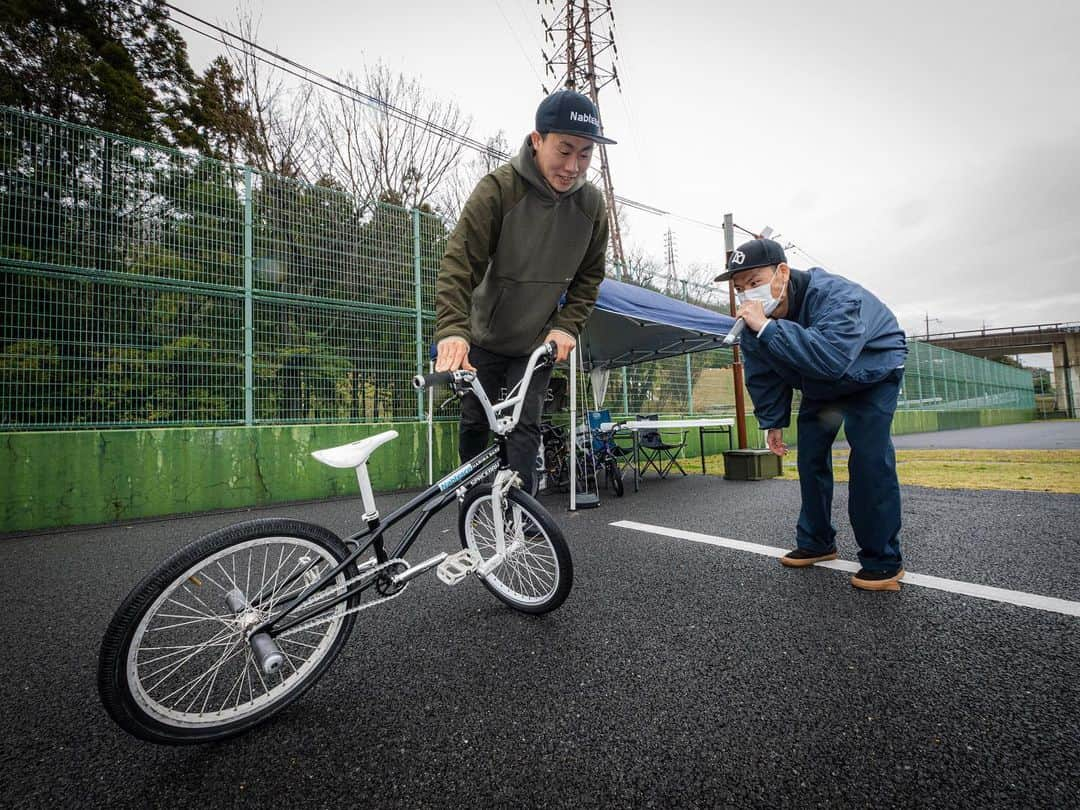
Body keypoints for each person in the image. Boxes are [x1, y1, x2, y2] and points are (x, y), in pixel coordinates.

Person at [432, 89, 613, 493]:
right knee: (477, 420)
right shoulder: (498, 190)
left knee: (524, 424)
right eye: (564, 150)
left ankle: (518, 518)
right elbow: (458, 265)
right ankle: (473, 503)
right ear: (537, 140)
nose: (573, 166)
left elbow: (590, 277)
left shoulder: (591, 205)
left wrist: (568, 326)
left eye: (585, 154)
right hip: (484, 335)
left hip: (536, 340)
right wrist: (452, 331)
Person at [715, 238, 909, 591]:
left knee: (868, 457)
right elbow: (763, 373)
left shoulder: (835, 296)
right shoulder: (758, 322)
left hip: (872, 371)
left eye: (754, 282)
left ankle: (883, 559)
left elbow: (832, 357)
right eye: (739, 288)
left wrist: (768, 329)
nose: (747, 295)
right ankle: (818, 542)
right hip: (822, 382)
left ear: (783, 273)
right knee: (810, 458)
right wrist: (772, 420)